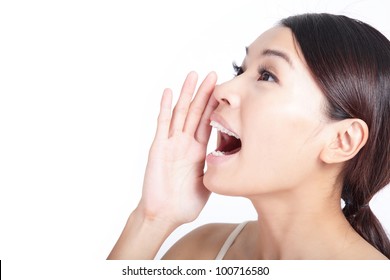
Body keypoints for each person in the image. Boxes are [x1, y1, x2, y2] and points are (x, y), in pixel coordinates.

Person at [107, 13, 390, 260]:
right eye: (239, 70)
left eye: (267, 76)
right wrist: (152, 219)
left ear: (343, 140)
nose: (221, 90)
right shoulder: (199, 253)